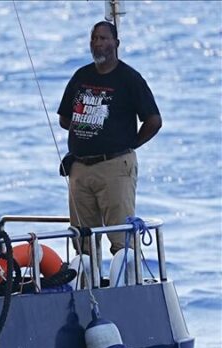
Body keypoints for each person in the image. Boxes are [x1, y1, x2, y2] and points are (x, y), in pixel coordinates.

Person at [58, 21, 161, 256]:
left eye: (103, 38)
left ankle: (124, 278)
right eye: (94, 38)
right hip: (80, 168)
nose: (98, 43)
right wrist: (87, 127)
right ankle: (87, 279)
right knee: (82, 241)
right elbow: (64, 118)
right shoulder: (81, 76)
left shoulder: (129, 78)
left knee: (121, 239)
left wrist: (129, 144)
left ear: (116, 43)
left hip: (114, 166)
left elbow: (154, 121)